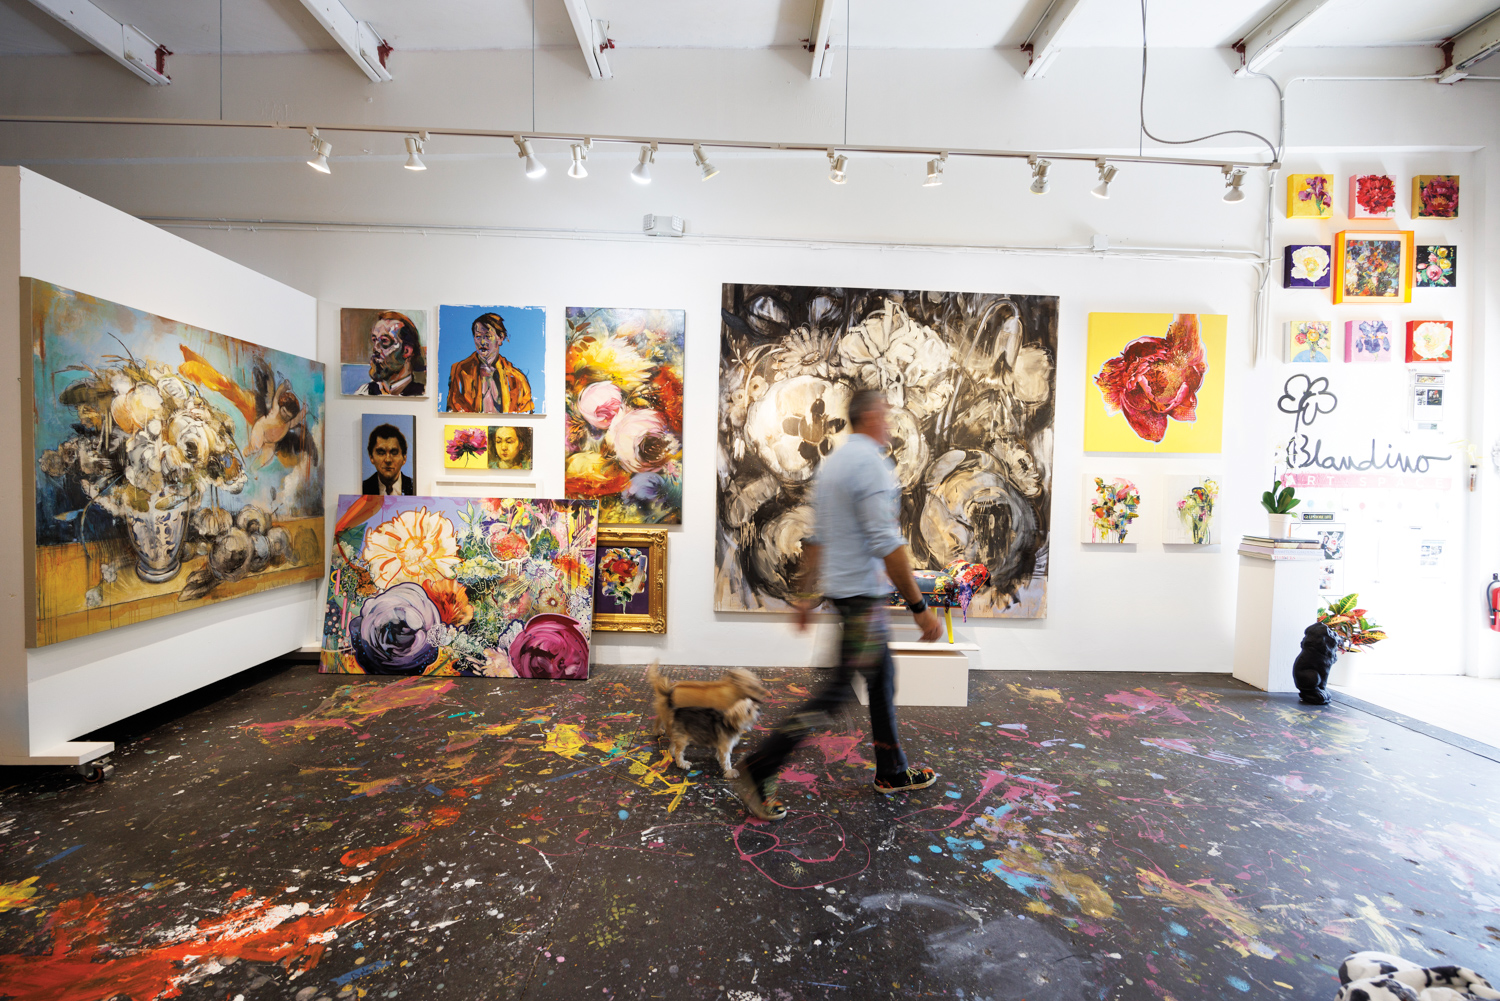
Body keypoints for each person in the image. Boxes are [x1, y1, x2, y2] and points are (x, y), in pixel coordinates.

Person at [732, 387, 944, 822]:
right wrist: (920, 607)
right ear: (870, 417)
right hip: (862, 601)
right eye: (884, 415)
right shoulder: (870, 465)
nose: (889, 423)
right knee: (834, 695)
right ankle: (759, 767)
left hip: (847, 597)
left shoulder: (835, 465)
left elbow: (817, 538)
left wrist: (807, 597)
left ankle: (892, 770)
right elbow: (887, 542)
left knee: (882, 677)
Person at [445, 312, 534, 413]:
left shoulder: (517, 378)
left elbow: (526, 413)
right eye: (478, 336)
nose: (482, 342)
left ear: (500, 338)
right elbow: (453, 407)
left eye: (488, 336)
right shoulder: (460, 370)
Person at [354, 311, 426, 397]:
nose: (375, 349)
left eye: (384, 341)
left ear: (407, 351)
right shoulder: (364, 392)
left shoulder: (421, 394)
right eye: (374, 340)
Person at [363, 423, 414, 495]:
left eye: (394, 452)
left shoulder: (414, 487)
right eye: (381, 452)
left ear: (404, 458)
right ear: (371, 457)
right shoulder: (363, 488)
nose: (388, 460)